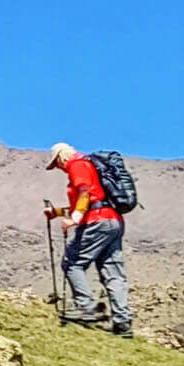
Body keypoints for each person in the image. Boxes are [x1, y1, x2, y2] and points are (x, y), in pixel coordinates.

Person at [44, 142, 132, 337]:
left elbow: (85, 192)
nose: (58, 168)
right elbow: (92, 199)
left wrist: (74, 219)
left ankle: (86, 309)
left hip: (96, 221)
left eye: (56, 164)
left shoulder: (77, 164)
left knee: (72, 263)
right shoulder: (89, 165)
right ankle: (123, 323)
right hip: (113, 221)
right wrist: (57, 212)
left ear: (61, 157)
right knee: (113, 272)